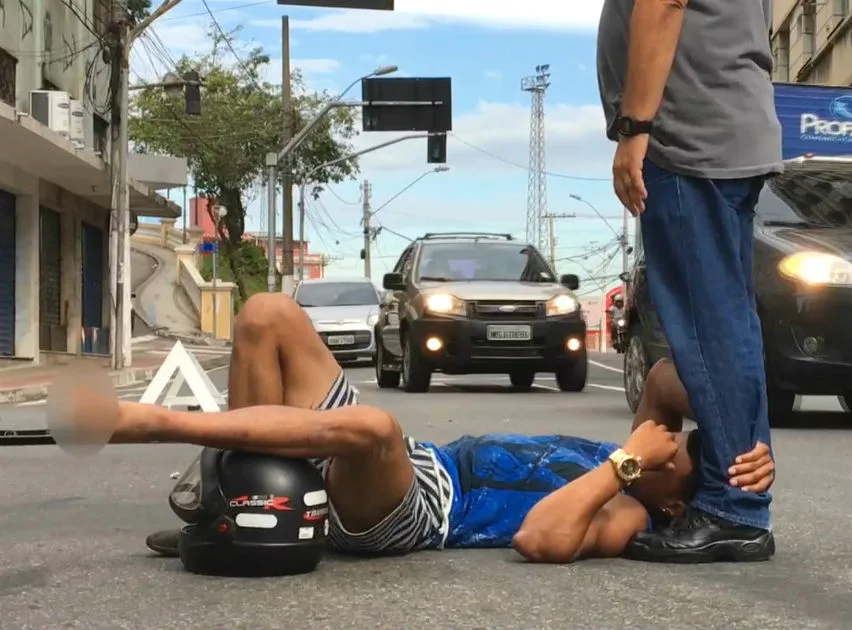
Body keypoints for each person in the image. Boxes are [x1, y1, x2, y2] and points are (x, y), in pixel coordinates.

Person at [57, 294, 773, 563]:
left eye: (683, 457)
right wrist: (739, 428)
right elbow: (664, 382)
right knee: (266, 315)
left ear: (674, 502)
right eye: (681, 437)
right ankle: (227, 504)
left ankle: (149, 424)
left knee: (372, 425)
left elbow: (539, 539)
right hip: (426, 460)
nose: (672, 441)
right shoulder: (654, 444)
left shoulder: (623, 511)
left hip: (418, 513)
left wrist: (623, 464)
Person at [597, 0, 783, 562]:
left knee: (709, 324)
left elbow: (665, 4)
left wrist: (635, 128)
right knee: (725, 319)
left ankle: (734, 510)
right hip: (721, 133)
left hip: (690, 141)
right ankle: (738, 487)